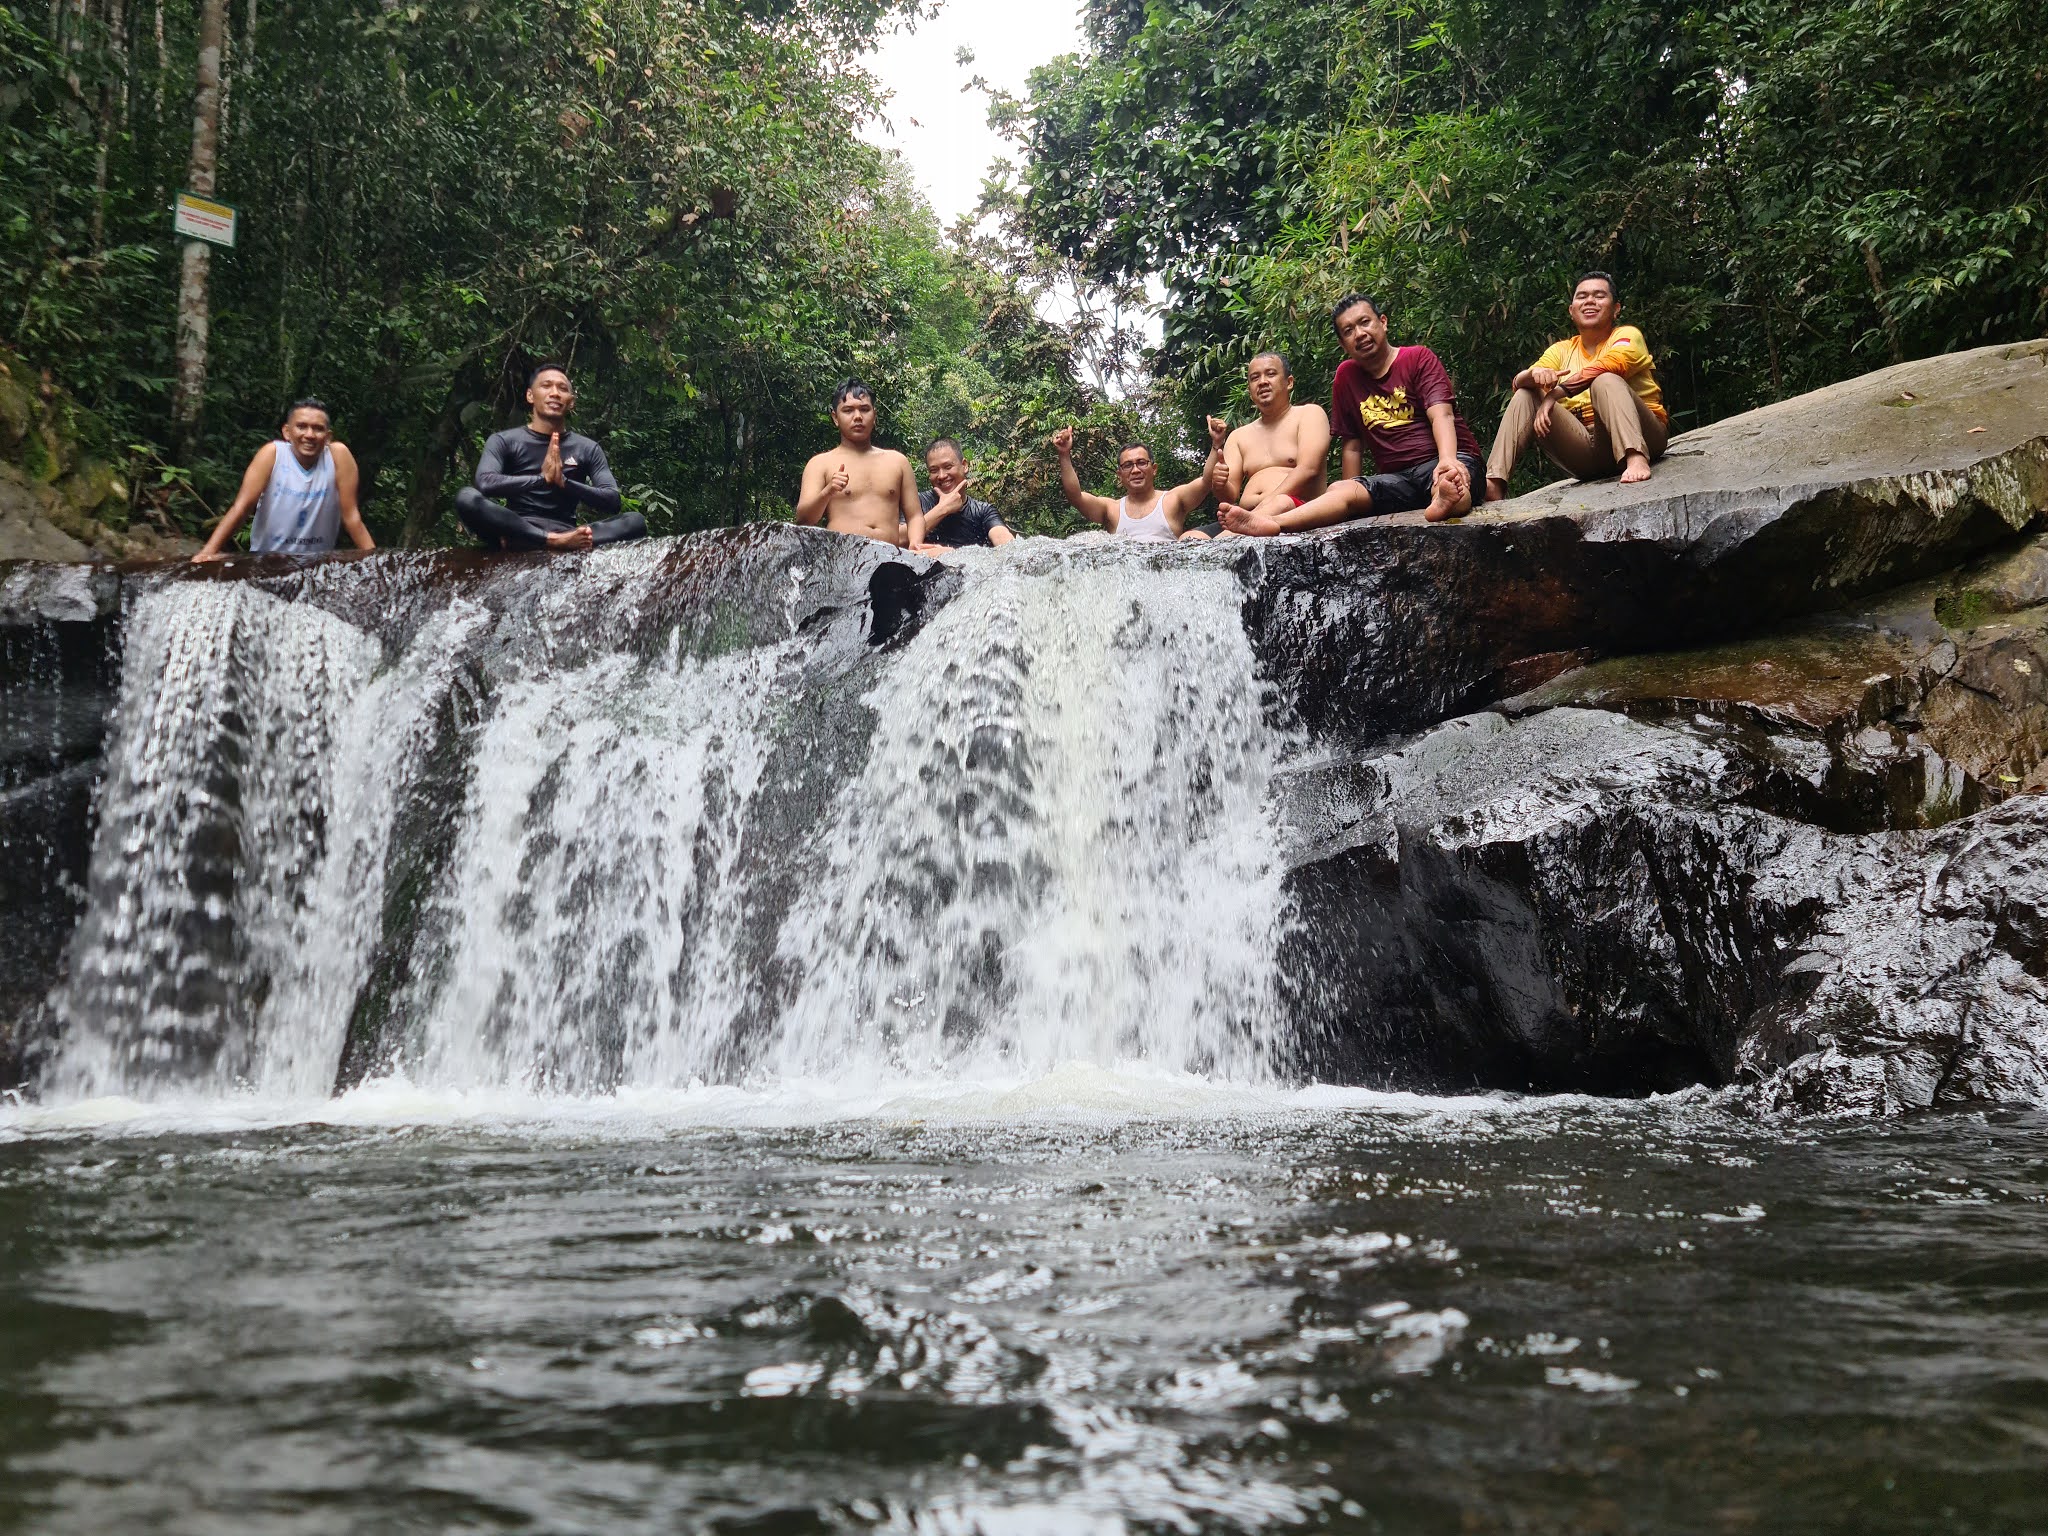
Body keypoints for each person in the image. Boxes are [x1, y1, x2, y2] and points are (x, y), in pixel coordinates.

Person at [1219, 294, 1482, 536]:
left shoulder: (1417, 358)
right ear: (1343, 343)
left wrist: (1447, 460)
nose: (1360, 334)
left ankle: (1445, 497)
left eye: (1365, 322)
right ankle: (1273, 523)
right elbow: (1352, 446)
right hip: (1396, 479)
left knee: (1450, 482)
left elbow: (1442, 416)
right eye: (1348, 331)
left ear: (1383, 322)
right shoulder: (1346, 377)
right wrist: (1353, 492)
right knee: (1340, 489)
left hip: (1445, 460)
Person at [1484, 270, 1668, 499]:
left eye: (1599, 295)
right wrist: (1533, 375)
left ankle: (1635, 456)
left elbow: (1610, 364)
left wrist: (1555, 394)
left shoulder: (1627, 335)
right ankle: (1494, 482)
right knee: (1525, 394)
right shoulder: (1561, 350)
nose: (1590, 301)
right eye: (1582, 296)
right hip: (1584, 448)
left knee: (1605, 379)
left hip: (1643, 433)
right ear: (1572, 311)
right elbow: (1521, 381)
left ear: (1616, 309)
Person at [454, 364, 645, 552]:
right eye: (546, 386)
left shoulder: (587, 448)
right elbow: (485, 483)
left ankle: (557, 540)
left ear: (571, 402)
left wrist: (564, 482)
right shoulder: (505, 440)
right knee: (466, 497)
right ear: (530, 395)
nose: (555, 393)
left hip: (567, 530)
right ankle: (548, 540)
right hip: (517, 527)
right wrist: (541, 479)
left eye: (562, 388)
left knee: (635, 521)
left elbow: (612, 500)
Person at [193, 399, 375, 560]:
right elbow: (242, 508)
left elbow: (351, 516)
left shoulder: (338, 456)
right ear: (287, 432)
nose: (309, 435)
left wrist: (376, 562)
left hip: (317, 564)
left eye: (318, 428)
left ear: (328, 437)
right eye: (301, 426)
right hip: (267, 559)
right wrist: (208, 552)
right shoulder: (273, 455)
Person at [1203, 351, 1331, 537]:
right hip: (1246, 516)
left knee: (1281, 502)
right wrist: (1220, 483)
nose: (1262, 382)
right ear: (1250, 390)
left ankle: (1225, 539)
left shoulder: (1309, 414)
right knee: (1190, 537)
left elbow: (1308, 469)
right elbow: (1229, 496)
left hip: (1295, 509)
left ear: (1289, 382)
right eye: (1255, 378)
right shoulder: (1238, 436)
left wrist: (1263, 507)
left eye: (1270, 374)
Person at [795, 381, 924, 547]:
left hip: (889, 556)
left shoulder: (898, 461)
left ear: (874, 415)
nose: (857, 417)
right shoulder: (820, 463)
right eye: (848, 410)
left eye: (864, 409)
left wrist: (915, 542)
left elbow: (915, 516)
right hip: (843, 554)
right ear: (835, 418)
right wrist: (828, 491)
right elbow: (804, 519)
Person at [1052, 424, 1219, 543]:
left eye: (1141, 463)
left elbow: (1207, 481)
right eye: (1127, 465)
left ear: (1154, 469)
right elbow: (1076, 497)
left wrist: (1216, 444)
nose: (1135, 470)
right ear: (1120, 475)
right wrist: (1064, 455)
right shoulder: (1111, 509)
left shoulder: (1173, 500)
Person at [914, 438, 1014, 552]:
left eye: (948, 467)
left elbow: (1007, 545)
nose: (941, 476)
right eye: (934, 470)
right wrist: (942, 509)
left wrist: (950, 554)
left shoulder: (984, 512)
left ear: (964, 466)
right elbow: (899, 541)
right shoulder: (917, 502)